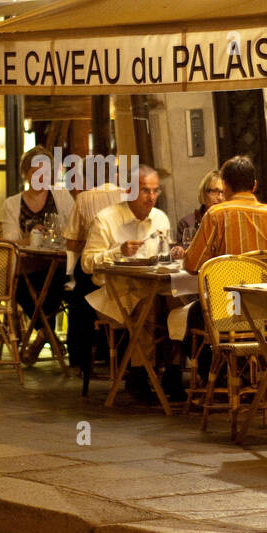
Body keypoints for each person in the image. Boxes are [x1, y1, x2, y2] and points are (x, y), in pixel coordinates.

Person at [180, 155, 267, 394]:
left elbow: (191, 264)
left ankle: (219, 376)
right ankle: (252, 374)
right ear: (254, 186)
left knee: (193, 314)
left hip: (227, 311)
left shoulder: (216, 216)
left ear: (226, 186)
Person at [81, 165, 186, 403]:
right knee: (147, 306)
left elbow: (162, 254)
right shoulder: (106, 219)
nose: (151, 197)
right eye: (145, 191)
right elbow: (87, 263)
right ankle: (139, 375)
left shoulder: (159, 218)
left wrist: (174, 252)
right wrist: (119, 251)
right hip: (116, 292)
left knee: (179, 304)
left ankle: (173, 373)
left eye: (155, 191)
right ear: (129, 191)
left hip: (153, 286)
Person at [2, 147, 75, 362]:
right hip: (28, 266)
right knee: (20, 286)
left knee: (56, 277)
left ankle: (44, 335)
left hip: (58, 264)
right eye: (36, 171)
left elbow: (74, 228)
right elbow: (9, 240)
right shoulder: (13, 203)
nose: (41, 176)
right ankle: (48, 334)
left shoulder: (61, 196)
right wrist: (32, 238)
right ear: (26, 173)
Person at [62, 172, 127, 374]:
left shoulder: (85, 198)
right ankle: (120, 356)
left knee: (77, 293)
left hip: (100, 270)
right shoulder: (130, 196)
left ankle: (80, 357)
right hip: (127, 271)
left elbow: (71, 243)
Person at [175, 170, 225, 245]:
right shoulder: (187, 223)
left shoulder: (232, 221)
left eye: (223, 192)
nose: (220, 197)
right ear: (204, 193)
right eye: (214, 191)